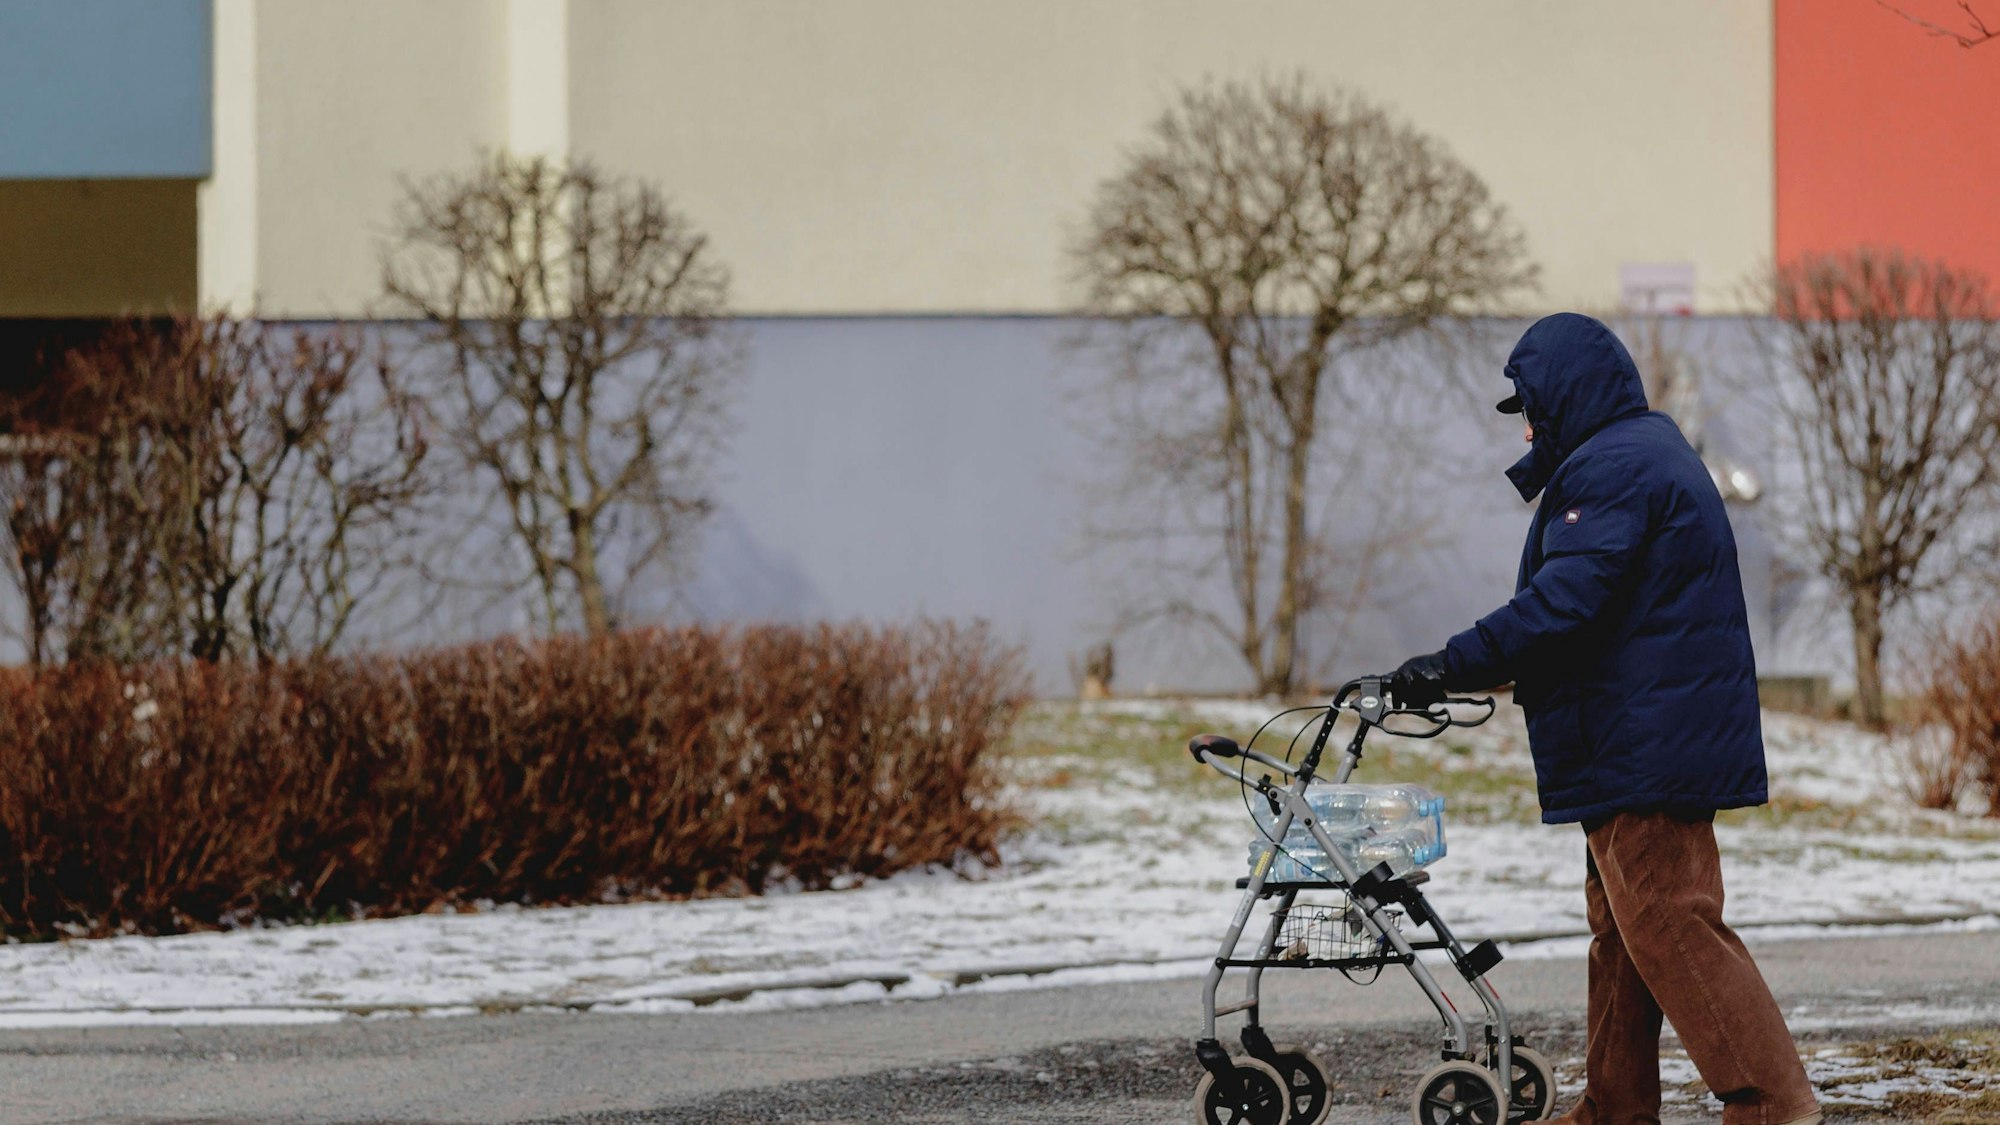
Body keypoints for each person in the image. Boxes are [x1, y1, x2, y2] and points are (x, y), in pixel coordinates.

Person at [1385, 313, 1821, 1125]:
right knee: (1625, 935)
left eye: (1532, 407)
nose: (1525, 426)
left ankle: (1772, 1104)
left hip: (1642, 744)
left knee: (1671, 924)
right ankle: (1616, 1108)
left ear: (1566, 396)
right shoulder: (1636, 453)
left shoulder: (1615, 467)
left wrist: (1453, 661)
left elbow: (1564, 603)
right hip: (1636, 738)